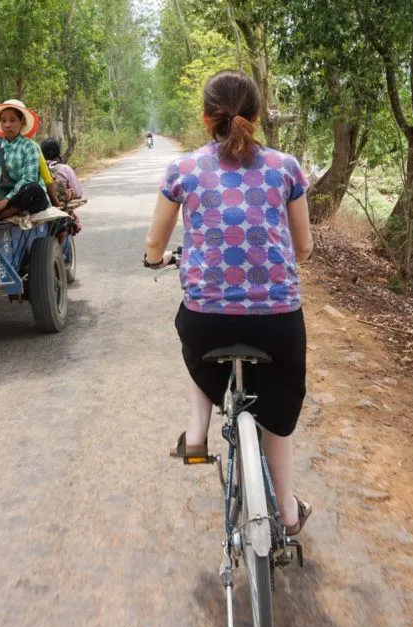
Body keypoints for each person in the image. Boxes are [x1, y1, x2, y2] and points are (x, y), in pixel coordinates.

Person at [144, 69, 314, 536]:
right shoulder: (286, 168)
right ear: (256, 117)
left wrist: (153, 258)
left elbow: (155, 244)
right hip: (278, 321)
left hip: (208, 322)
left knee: (197, 343)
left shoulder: (183, 170)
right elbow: (304, 248)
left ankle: (196, 435)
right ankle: (287, 513)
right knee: (276, 420)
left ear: (205, 118)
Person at [0, 99, 49, 220]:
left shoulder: (29, 147)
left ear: (22, 122)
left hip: (25, 198)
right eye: (3, 121)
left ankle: (8, 212)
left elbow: (29, 178)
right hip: (0, 197)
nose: (7, 125)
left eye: (12, 120)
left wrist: (6, 201)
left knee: (33, 188)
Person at [40, 138, 84, 206]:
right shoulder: (65, 169)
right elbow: (78, 194)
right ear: (58, 152)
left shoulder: (37, 169)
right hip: (61, 205)